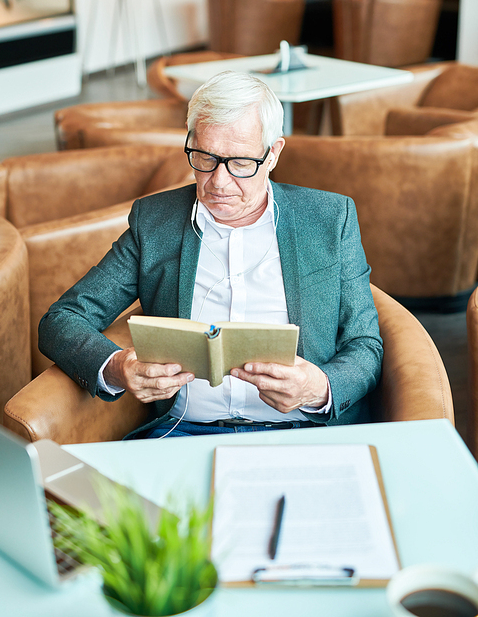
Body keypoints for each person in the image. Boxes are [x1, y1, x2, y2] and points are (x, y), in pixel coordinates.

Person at [39, 71, 382, 439]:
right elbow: (61, 319)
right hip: (180, 431)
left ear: (273, 155)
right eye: (204, 157)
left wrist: (319, 387)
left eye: (239, 163)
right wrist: (118, 366)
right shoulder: (156, 223)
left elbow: (366, 345)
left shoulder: (330, 220)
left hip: (300, 432)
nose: (218, 182)